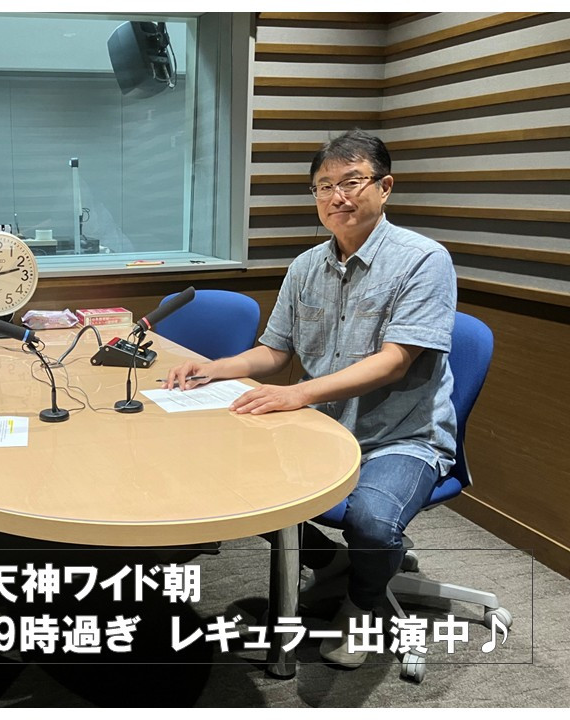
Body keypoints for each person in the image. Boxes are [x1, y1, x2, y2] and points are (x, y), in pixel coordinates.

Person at [162, 129, 457, 668]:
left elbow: (394, 360)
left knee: (373, 522)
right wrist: (213, 368)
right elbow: (274, 352)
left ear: (385, 187)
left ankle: (362, 603)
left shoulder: (423, 260)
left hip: (401, 436)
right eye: (324, 186)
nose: (337, 197)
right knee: (234, 486)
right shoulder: (305, 267)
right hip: (322, 425)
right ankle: (332, 561)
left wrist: (297, 393)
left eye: (352, 182)